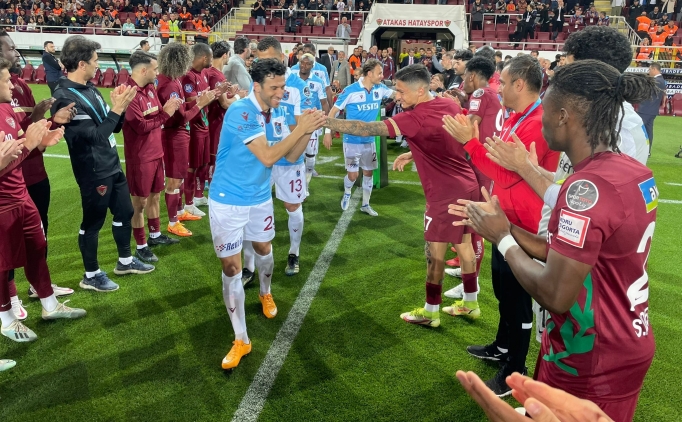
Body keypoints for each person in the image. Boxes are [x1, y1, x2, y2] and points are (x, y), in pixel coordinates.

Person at [451, 60, 659, 421]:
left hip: (589, 352)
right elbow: (572, 253)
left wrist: (503, 239)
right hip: (623, 335)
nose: (541, 119)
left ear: (563, 116)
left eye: (546, 109)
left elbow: (555, 293)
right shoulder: (633, 171)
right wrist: (505, 227)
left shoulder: (587, 188)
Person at [324, 63, 481, 326]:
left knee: (435, 255)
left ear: (420, 90)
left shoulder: (414, 118)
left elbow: (366, 128)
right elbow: (445, 138)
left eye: (400, 91)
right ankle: (471, 303)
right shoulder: (447, 104)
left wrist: (325, 121)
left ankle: (430, 312)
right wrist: (412, 153)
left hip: (444, 195)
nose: (396, 96)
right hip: (467, 184)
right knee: (465, 245)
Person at [442, 55, 560, 396]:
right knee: (504, 293)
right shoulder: (518, 116)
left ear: (519, 85)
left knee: (518, 301)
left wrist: (469, 143)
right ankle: (503, 347)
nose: (499, 87)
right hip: (505, 220)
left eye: (504, 82)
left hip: (525, 227)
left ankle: (515, 369)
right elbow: (501, 169)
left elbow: (506, 175)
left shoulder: (535, 122)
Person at [208, 58, 326, 370]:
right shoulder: (242, 111)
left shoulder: (274, 112)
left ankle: (265, 292)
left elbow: (291, 155)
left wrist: (307, 131)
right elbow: (268, 157)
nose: (280, 92)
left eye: (283, 86)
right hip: (229, 201)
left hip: (259, 198)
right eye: (274, 87)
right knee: (232, 267)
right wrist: (301, 128)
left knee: (263, 248)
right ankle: (241, 338)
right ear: (257, 86)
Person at [51, 35, 155, 293]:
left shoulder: (91, 89)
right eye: (95, 61)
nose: (98, 65)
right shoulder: (64, 97)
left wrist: (122, 107)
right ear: (82, 64)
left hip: (111, 163)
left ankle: (125, 261)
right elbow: (95, 136)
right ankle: (91, 274)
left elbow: (112, 128)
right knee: (93, 222)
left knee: (125, 212)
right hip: (92, 169)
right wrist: (117, 108)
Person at [0, 57, 87, 345]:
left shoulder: (6, 109)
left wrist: (39, 141)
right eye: (6, 80)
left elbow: (18, 150)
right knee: (3, 265)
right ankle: (6, 320)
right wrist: (28, 145)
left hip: (21, 195)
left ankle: (50, 305)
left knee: (38, 248)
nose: (12, 84)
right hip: (2, 206)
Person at [443, 56, 503, 299]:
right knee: (471, 220)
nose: (463, 81)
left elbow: (469, 126)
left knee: (474, 223)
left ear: (472, 76)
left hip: (482, 164)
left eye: (464, 77)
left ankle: (472, 282)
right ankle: (467, 271)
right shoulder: (492, 94)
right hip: (487, 162)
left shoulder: (480, 93)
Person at [122, 51, 182, 263]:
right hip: (140, 158)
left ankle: (155, 235)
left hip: (157, 153)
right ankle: (141, 246)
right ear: (143, 70)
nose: (157, 73)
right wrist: (166, 114)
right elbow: (140, 126)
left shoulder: (150, 88)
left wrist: (163, 113)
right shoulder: (128, 93)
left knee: (155, 196)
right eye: (155, 69)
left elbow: (155, 117)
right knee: (139, 203)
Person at [156, 43, 215, 238]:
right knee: (174, 180)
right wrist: (200, 104)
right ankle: (173, 222)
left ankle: (180, 211)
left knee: (179, 177)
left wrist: (198, 100)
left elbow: (182, 109)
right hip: (174, 136)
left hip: (176, 134)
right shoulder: (170, 85)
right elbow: (181, 118)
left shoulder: (169, 79)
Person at [322, 59, 393, 217]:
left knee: (368, 173)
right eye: (379, 73)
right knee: (353, 175)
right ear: (369, 73)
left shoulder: (380, 88)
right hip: (352, 141)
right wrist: (327, 132)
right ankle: (347, 192)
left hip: (369, 141)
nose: (382, 76)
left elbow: (397, 94)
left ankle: (366, 204)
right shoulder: (350, 90)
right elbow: (333, 112)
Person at [180, 43, 214, 217]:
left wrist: (216, 93)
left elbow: (203, 98)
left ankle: (197, 197)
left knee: (202, 163)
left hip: (204, 124)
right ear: (204, 57)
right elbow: (190, 100)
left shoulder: (203, 74)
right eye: (211, 57)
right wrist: (206, 97)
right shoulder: (188, 75)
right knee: (191, 167)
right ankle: (188, 204)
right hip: (194, 127)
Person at [207, 41, 242, 189]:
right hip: (216, 121)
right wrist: (239, 97)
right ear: (225, 55)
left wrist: (230, 94)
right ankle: (212, 187)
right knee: (215, 157)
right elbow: (225, 104)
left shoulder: (208, 72)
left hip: (209, 119)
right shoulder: (217, 75)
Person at [638, 62, 666, 155]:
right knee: (648, 131)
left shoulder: (656, 81)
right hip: (651, 110)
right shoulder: (661, 80)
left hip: (646, 110)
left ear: (654, 69)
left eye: (649, 69)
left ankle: (642, 150)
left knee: (640, 130)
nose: (648, 71)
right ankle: (647, 151)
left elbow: (644, 91)